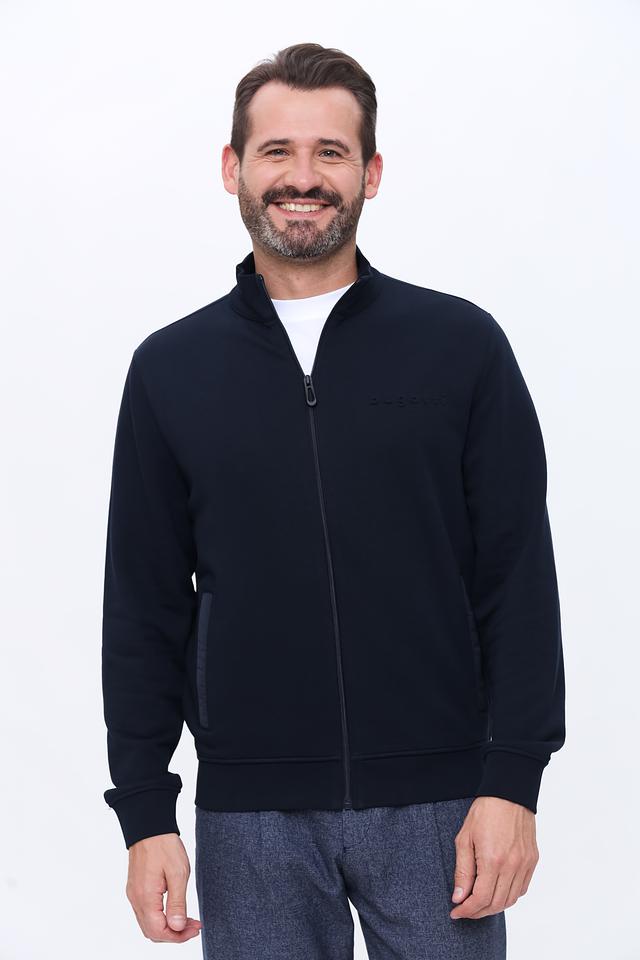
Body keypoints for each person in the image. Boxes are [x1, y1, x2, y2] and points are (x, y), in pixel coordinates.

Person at [101, 42, 565, 959]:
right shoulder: (171, 370)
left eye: (331, 152)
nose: (303, 177)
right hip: (251, 816)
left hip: (441, 805)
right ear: (233, 168)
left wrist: (513, 781)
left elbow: (517, 576)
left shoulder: (460, 346)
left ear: (371, 173)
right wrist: (145, 811)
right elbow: (144, 605)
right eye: (276, 150)